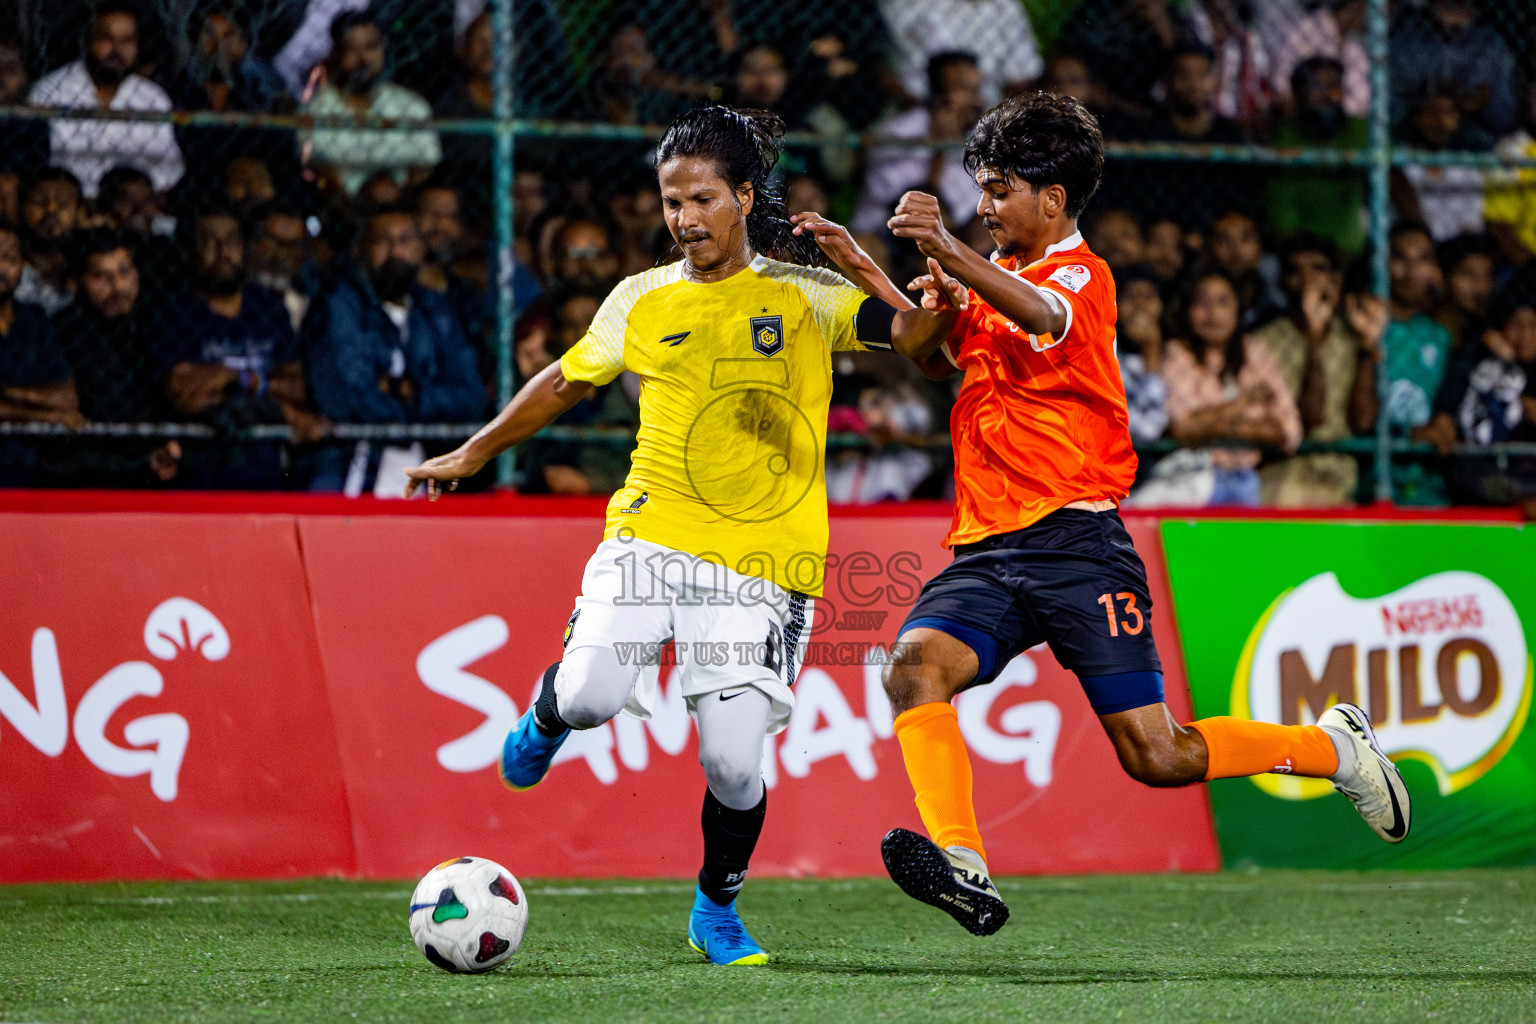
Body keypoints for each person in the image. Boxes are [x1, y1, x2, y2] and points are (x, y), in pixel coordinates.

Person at [402, 105, 951, 966]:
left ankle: (714, 911)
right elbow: (561, 380)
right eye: (670, 202)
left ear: (742, 196)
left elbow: (924, 343)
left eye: (701, 199)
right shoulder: (641, 299)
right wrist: (475, 452)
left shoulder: (805, 296)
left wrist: (865, 268)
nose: (685, 219)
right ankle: (547, 716)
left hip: (764, 564)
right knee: (587, 696)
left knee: (734, 767)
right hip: (650, 536)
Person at [868, 92, 1410, 935]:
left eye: (1000, 188)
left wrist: (947, 248)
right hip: (986, 546)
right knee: (912, 669)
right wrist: (869, 270)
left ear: (1051, 201)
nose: (984, 205)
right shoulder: (991, 277)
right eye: (981, 189)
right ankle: (967, 867)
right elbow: (921, 355)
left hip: (1078, 543)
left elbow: (1042, 315)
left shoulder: (1079, 276)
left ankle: (1334, 750)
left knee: (1158, 757)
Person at [304, 205, 484, 494]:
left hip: (428, 476)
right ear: (361, 251)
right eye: (381, 241)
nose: (394, 250)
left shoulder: (436, 311)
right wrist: (417, 408)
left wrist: (403, 393)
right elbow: (346, 398)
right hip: (351, 473)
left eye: (404, 240)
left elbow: (470, 396)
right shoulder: (341, 307)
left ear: (421, 250)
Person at [157, 205, 320, 489]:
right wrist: (272, 398)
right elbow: (187, 398)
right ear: (189, 250)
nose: (223, 252)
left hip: (265, 473)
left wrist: (234, 379)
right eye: (210, 241)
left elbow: (299, 390)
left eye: (232, 240)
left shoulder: (267, 306)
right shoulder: (174, 312)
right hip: (198, 475)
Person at [1136, 269, 1302, 507]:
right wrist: (1243, 406)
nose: (1212, 312)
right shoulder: (1176, 354)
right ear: (1187, 310)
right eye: (1201, 302)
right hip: (1192, 480)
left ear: (1238, 309)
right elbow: (1182, 428)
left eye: (1222, 302)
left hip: (1247, 480)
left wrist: (1212, 425)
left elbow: (1288, 431)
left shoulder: (1255, 353)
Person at [1251, 233, 1384, 506]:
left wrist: (1369, 347)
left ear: (1337, 281)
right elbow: (1309, 420)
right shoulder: (1261, 343)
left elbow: (1363, 421)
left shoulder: (1353, 337)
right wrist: (1313, 337)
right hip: (1284, 472)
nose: (1309, 280)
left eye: (1319, 270)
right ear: (1281, 283)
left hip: (1339, 472)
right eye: (1296, 271)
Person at [47, 229, 180, 486]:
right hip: (83, 469)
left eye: (124, 272)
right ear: (76, 282)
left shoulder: (153, 323)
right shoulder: (62, 332)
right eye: (101, 276)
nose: (117, 286)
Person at [26, 1, 184, 198]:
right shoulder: (49, 92)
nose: (117, 49)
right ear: (85, 41)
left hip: (137, 208)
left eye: (127, 41)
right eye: (106, 38)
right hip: (70, 207)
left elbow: (168, 172)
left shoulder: (153, 98)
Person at [300, 12, 442, 197]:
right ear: (335, 54)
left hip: (402, 207)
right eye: (352, 49)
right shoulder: (316, 109)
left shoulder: (411, 105)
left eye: (371, 47)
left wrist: (399, 192)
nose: (364, 59)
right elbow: (320, 174)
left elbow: (426, 167)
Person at [0, 221, 81, 486]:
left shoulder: (33, 318)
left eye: (9, 258)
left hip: (29, 468)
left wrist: (8, 393)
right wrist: (43, 415)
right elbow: (56, 410)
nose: (1, 269)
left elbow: (66, 398)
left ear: (23, 265)